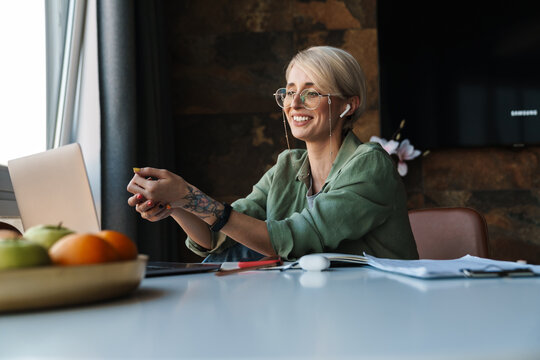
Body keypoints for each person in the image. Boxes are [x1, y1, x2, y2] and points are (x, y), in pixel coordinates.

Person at [127, 46, 418, 262]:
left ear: (348, 105)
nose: (295, 104)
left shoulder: (370, 164)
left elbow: (295, 237)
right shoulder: (287, 167)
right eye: (290, 92)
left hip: (379, 311)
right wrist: (176, 204)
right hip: (320, 308)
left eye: (312, 92)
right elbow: (219, 234)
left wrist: (189, 195)